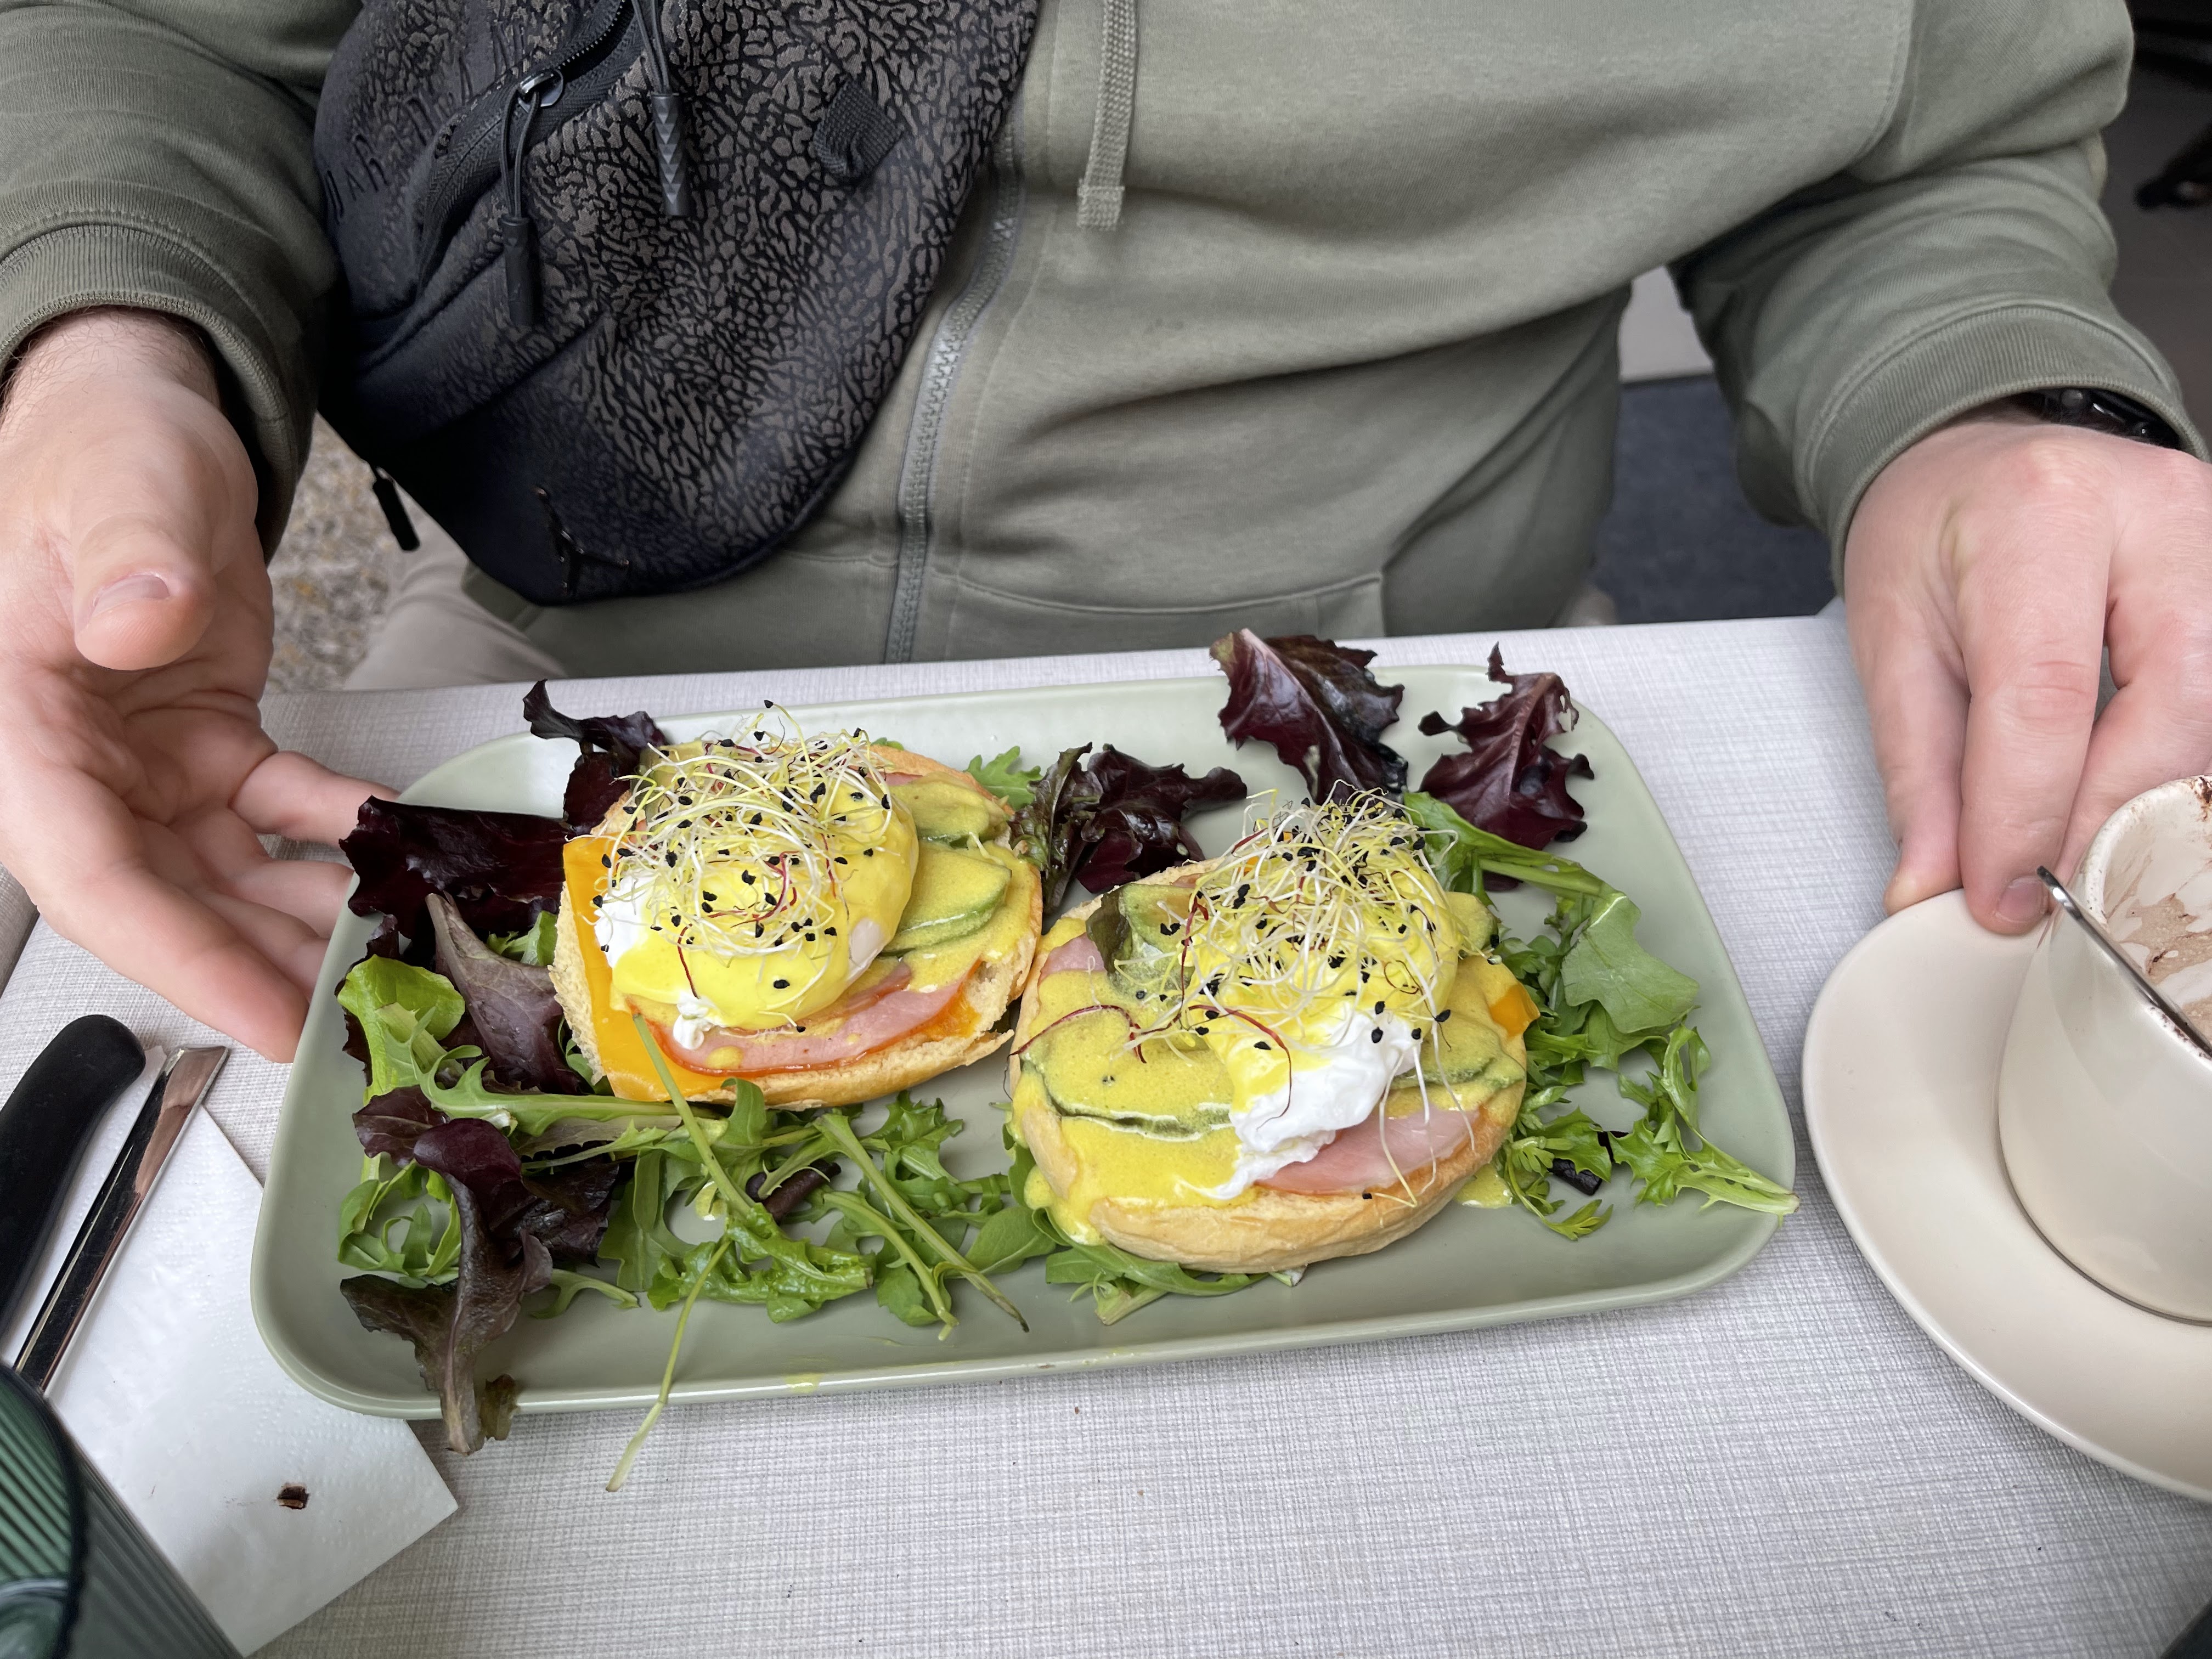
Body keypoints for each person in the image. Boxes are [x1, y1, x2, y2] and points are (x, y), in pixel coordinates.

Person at [1, 0, 2208, 1062]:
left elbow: (1917, 141)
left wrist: (1994, 398)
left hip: (1383, 729)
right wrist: (103, 339)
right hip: (536, 680)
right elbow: (159, 33)